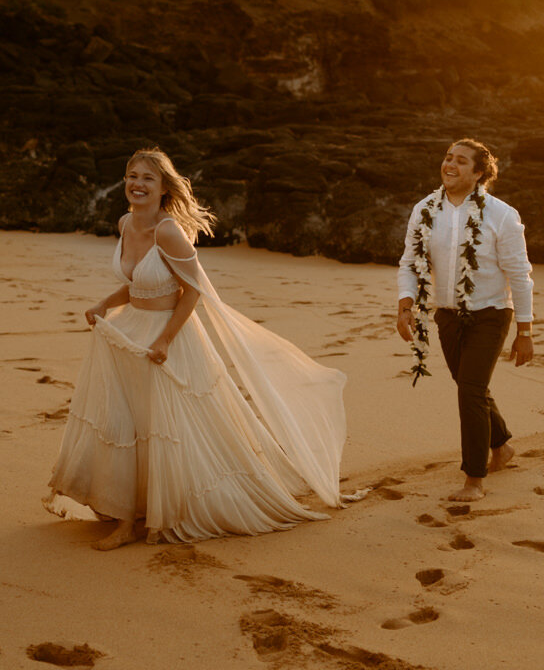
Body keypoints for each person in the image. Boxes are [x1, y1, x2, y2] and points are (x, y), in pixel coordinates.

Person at [47, 147, 348, 549]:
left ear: (164, 188)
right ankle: (125, 515)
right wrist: (106, 303)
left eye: (147, 178)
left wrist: (165, 340)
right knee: (123, 423)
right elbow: (138, 282)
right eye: (132, 176)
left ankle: (150, 516)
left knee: (162, 428)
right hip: (127, 335)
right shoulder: (124, 223)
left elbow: (192, 292)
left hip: (168, 338)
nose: (137, 184)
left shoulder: (168, 231)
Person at [397, 138, 533, 502]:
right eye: (447, 158)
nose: (450, 165)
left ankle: (475, 478)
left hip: (491, 313)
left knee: (470, 390)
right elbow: (410, 261)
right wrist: (405, 305)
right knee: (470, 386)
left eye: (460, 160)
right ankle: (501, 445)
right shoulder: (425, 209)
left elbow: (519, 273)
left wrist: (525, 329)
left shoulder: (501, 214)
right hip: (448, 315)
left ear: (478, 173)